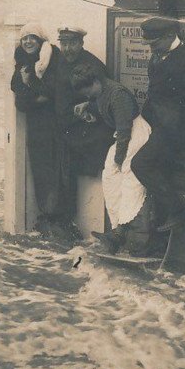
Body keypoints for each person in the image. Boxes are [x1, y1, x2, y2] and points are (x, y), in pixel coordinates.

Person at [130, 15, 185, 232]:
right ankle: (161, 228)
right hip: (157, 124)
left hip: (173, 131)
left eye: (155, 43)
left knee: (140, 164)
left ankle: (178, 210)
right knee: (160, 173)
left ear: (171, 36)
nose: (151, 49)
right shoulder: (163, 49)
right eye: (149, 44)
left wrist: (182, 121)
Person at [69, 65, 151, 254]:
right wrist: (88, 106)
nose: (88, 96)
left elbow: (124, 130)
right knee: (110, 176)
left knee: (131, 181)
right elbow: (100, 103)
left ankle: (127, 233)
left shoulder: (117, 95)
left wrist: (120, 159)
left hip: (136, 135)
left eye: (88, 91)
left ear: (96, 82)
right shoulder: (102, 91)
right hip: (126, 136)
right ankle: (117, 230)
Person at [10, 22, 74, 236]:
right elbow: (19, 95)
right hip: (36, 124)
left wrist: (30, 86)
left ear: (41, 41)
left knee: (56, 168)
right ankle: (47, 215)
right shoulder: (22, 58)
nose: (28, 42)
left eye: (33, 38)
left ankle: (58, 217)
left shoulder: (52, 57)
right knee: (40, 168)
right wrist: (31, 92)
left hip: (54, 122)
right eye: (25, 38)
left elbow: (51, 92)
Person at [54, 26, 114, 178]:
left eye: (72, 43)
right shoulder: (59, 61)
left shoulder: (93, 65)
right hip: (60, 129)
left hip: (81, 133)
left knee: (76, 179)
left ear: (81, 43)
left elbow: (109, 97)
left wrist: (89, 108)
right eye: (64, 43)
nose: (67, 48)